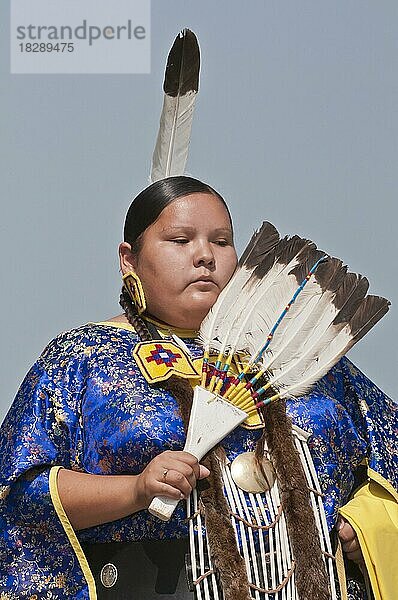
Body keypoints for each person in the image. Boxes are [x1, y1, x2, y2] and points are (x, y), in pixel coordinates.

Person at [0, 176, 396, 600]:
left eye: (222, 241)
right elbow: (17, 495)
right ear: (128, 260)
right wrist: (135, 489)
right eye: (180, 239)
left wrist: (366, 524)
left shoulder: (304, 357)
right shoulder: (83, 358)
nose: (204, 255)